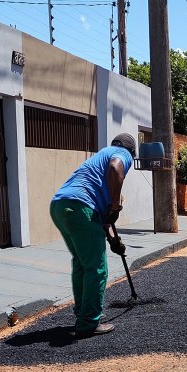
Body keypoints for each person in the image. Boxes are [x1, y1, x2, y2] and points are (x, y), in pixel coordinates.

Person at [49, 133, 136, 337]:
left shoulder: (100, 158)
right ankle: (88, 322)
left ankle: (84, 313)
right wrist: (116, 206)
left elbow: (104, 220)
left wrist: (115, 241)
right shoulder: (122, 154)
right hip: (81, 208)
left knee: (81, 263)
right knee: (97, 268)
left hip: (61, 206)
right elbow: (117, 168)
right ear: (131, 151)